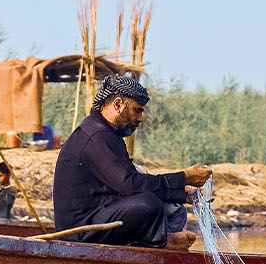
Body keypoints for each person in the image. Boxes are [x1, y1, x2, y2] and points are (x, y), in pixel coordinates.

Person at [53, 74, 211, 249]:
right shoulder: (97, 135)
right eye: (137, 110)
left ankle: (161, 241)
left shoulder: (105, 133)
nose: (140, 118)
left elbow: (128, 182)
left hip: (96, 215)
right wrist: (184, 177)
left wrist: (180, 192)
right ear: (118, 104)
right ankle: (165, 242)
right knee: (149, 204)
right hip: (81, 229)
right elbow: (131, 185)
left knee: (175, 208)